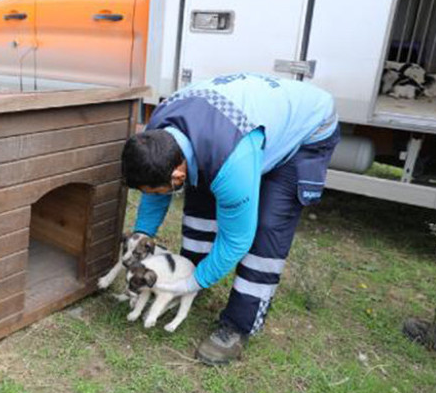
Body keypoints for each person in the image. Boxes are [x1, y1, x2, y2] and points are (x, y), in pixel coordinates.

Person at [121, 73, 340, 365]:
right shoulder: (158, 132)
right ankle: (191, 280)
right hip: (242, 128)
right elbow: (155, 192)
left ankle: (238, 325)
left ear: (177, 175)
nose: (156, 194)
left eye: (162, 188)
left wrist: (194, 281)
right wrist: (142, 238)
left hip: (306, 129)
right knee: (200, 208)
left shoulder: (229, 163)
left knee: (265, 230)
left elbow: (236, 241)